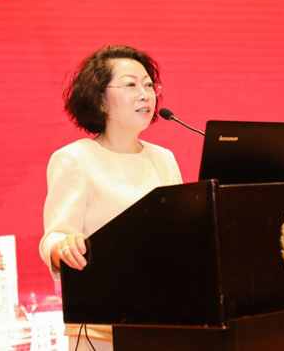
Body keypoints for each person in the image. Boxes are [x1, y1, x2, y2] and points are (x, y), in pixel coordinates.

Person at [39, 45, 183, 350]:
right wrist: (64, 247)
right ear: (100, 100)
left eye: (148, 85)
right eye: (130, 85)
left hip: (166, 321)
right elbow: (55, 237)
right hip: (102, 331)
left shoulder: (165, 158)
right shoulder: (75, 159)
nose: (145, 94)